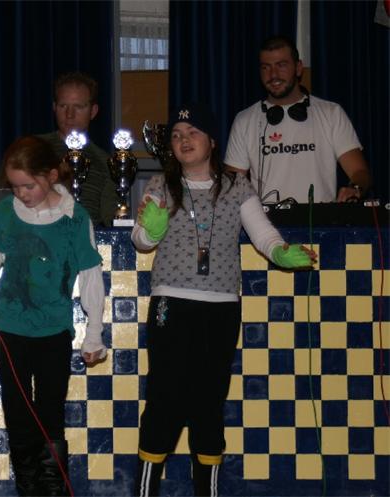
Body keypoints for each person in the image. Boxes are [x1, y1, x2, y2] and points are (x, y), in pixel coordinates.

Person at [132, 103, 316, 496]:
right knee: (164, 399)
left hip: (221, 308)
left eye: (192, 133)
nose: (183, 140)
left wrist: (281, 252)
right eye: (176, 135)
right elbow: (141, 240)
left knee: (208, 402)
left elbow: (263, 235)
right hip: (171, 304)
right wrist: (152, 229)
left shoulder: (237, 186)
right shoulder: (161, 185)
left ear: (212, 141)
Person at [0, 135, 106, 496]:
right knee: (18, 411)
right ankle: (28, 487)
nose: (21, 194)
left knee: (50, 411)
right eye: (15, 186)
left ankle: (54, 488)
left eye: (28, 185)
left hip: (54, 330)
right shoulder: (6, 211)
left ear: (51, 175)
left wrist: (94, 333)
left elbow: (90, 275)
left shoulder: (75, 217)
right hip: (10, 327)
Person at [225, 35, 371, 203]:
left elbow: (359, 172)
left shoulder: (331, 113)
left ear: (298, 68)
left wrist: (355, 188)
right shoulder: (244, 120)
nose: (273, 75)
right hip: (264, 219)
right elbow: (232, 186)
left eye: (281, 65)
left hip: (318, 218)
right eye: (266, 67)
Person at [0, 72, 120, 227]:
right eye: (63, 106)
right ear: (54, 107)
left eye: (78, 107)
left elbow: (111, 221)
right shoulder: (28, 150)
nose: (69, 115)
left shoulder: (105, 163)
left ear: (93, 111)